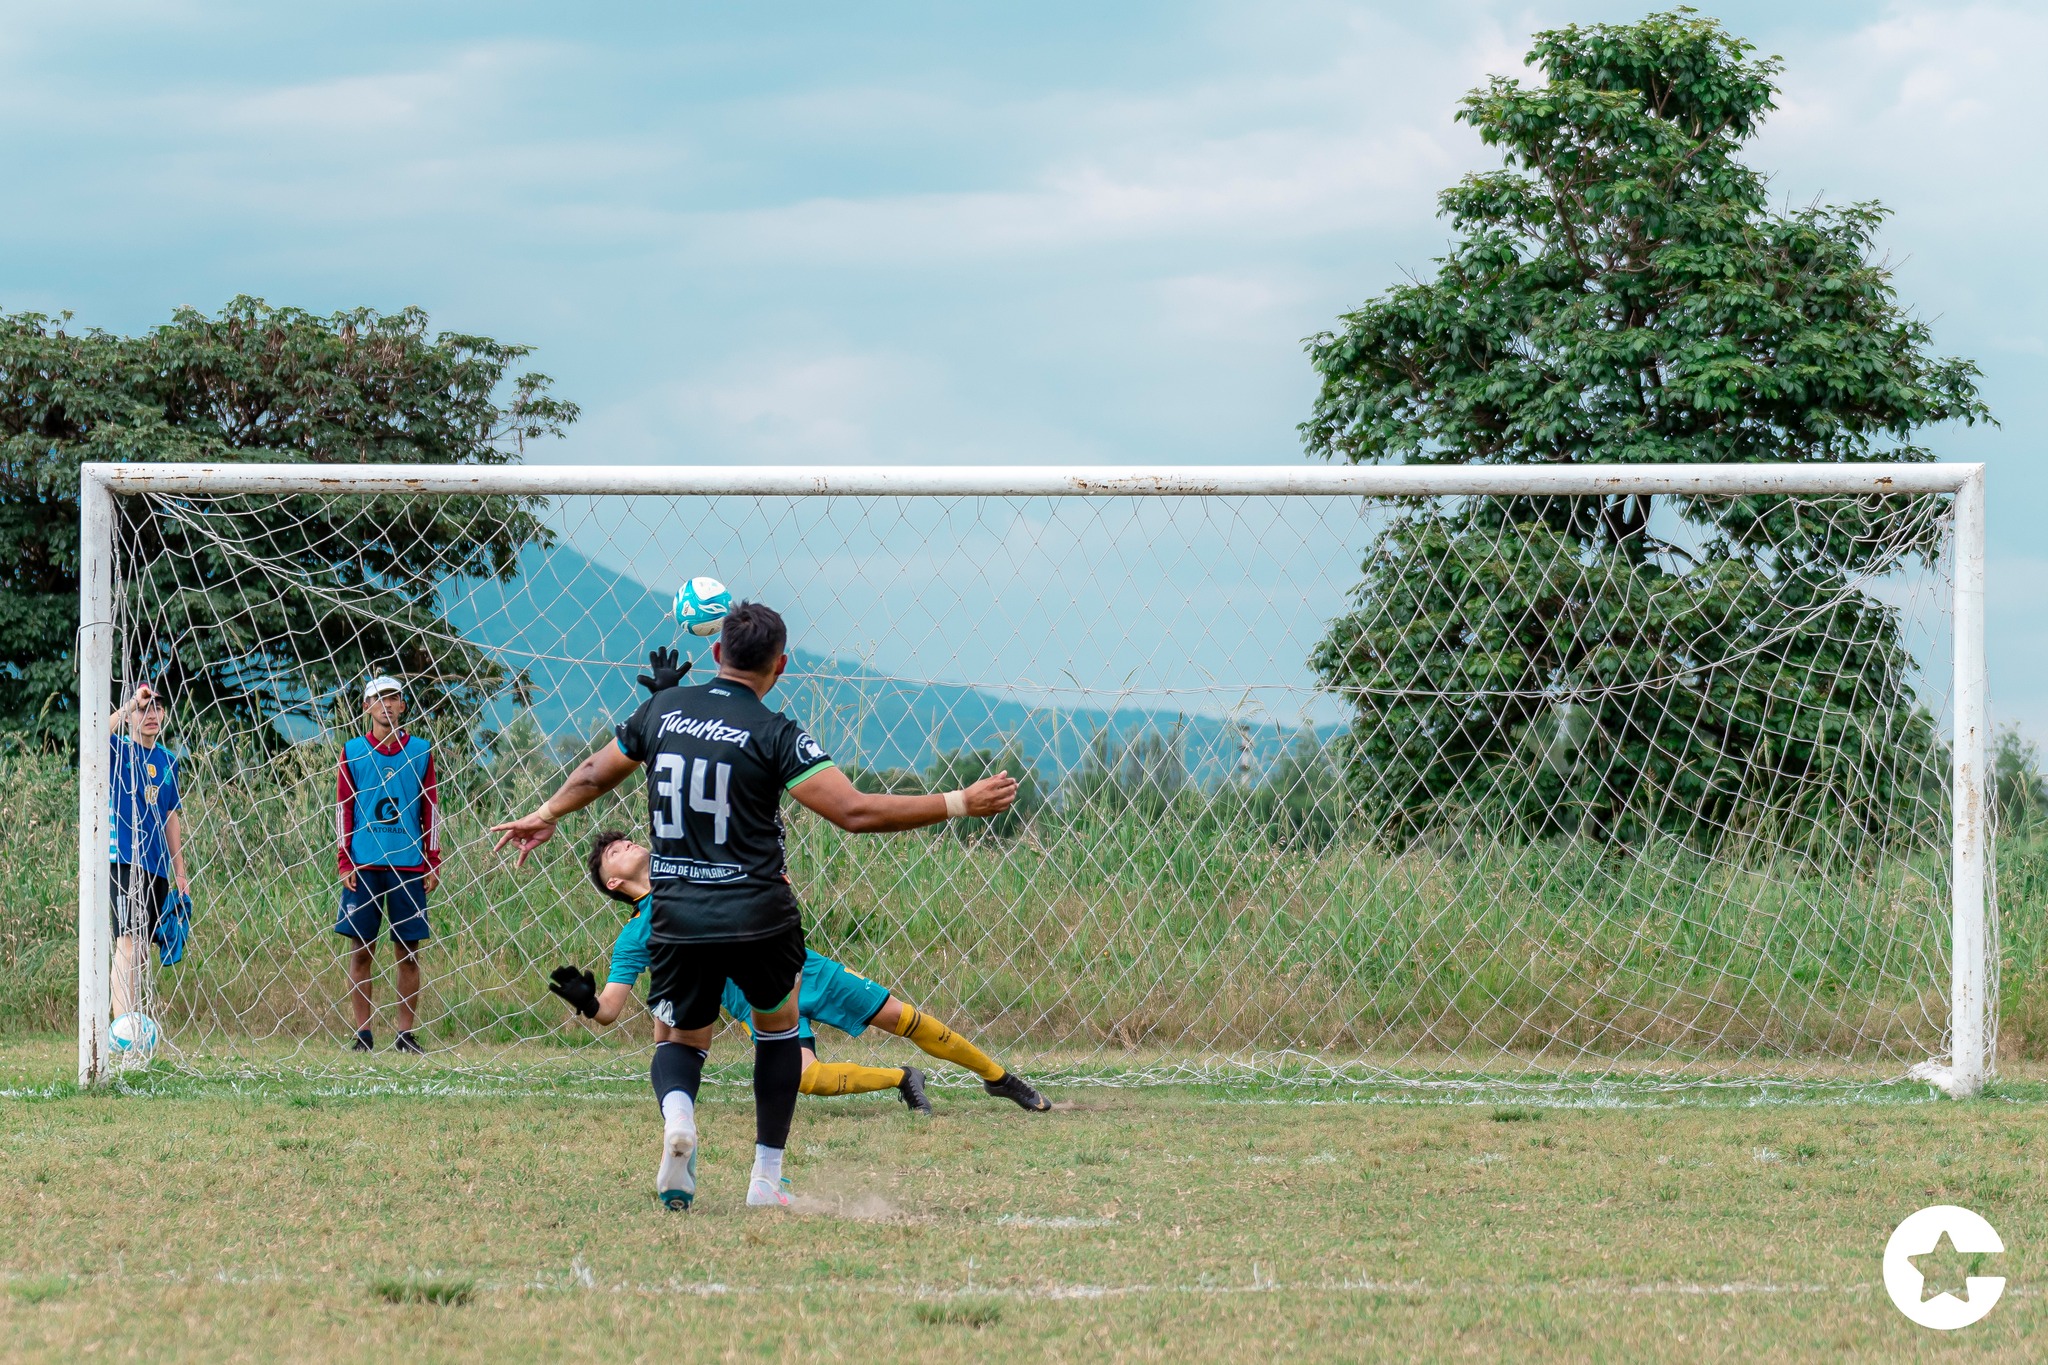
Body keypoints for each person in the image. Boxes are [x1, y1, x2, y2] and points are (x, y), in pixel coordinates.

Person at [492, 603, 1019, 1211]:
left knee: (682, 1043)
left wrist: (547, 813)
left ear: (716, 654)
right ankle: (766, 1178)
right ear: (781, 665)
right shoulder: (778, 733)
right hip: (758, 916)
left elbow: (592, 772)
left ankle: (680, 1119)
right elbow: (854, 812)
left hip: (678, 916)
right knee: (777, 1036)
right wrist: (959, 800)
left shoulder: (662, 710)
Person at [557, 832, 1049, 1133]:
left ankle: (1000, 1080)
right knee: (806, 1077)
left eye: (624, 840)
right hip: (758, 1005)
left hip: (801, 971)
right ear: (614, 885)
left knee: (907, 1020)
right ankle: (902, 1079)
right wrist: (586, 1001)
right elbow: (610, 1009)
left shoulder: (694, 871)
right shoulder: (633, 937)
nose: (621, 845)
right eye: (611, 855)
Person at [336, 675, 440, 1054]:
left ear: (402, 705)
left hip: (408, 866)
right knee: (362, 950)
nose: (386, 704)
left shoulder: (421, 751)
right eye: (378, 699)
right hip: (363, 866)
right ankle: (362, 1034)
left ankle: (404, 1034)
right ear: (366, 707)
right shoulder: (353, 751)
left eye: (393, 698)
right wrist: (344, 860)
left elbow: (431, 808)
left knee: (408, 952)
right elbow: (343, 809)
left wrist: (433, 860)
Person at [107, 684, 189, 1021]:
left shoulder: (169, 761)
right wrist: (129, 705)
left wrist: (180, 872)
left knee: (141, 951)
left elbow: (171, 816)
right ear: (130, 718)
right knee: (128, 944)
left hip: (157, 868)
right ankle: (123, 1030)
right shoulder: (118, 750)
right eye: (144, 709)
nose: (151, 714)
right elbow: (94, 732)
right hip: (125, 860)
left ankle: (131, 1021)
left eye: (157, 707)